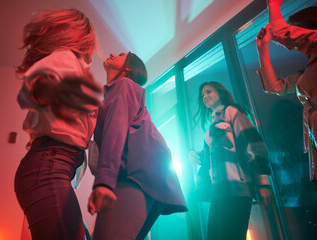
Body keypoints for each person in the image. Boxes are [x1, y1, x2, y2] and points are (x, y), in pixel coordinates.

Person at [14, 9, 102, 240]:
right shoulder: (66, 58)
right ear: (83, 39)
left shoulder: (65, 61)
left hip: (49, 166)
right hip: (49, 167)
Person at [87, 52, 187, 240]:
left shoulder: (124, 84)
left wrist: (104, 181)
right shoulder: (110, 96)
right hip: (150, 176)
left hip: (135, 176)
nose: (111, 53)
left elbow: (115, 130)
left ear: (127, 68)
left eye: (120, 54)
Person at [189, 82, 272, 240]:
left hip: (237, 189)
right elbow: (211, 159)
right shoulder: (210, 127)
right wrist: (191, 154)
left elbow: (253, 144)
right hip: (218, 192)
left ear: (220, 93)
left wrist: (263, 183)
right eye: (202, 95)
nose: (205, 96)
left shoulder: (233, 112)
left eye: (208, 92)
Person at [256, 0, 317, 182]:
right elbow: (275, 87)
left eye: (299, 30)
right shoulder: (309, 72)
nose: (295, 44)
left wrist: (273, 5)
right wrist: (262, 49)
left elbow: (283, 34)